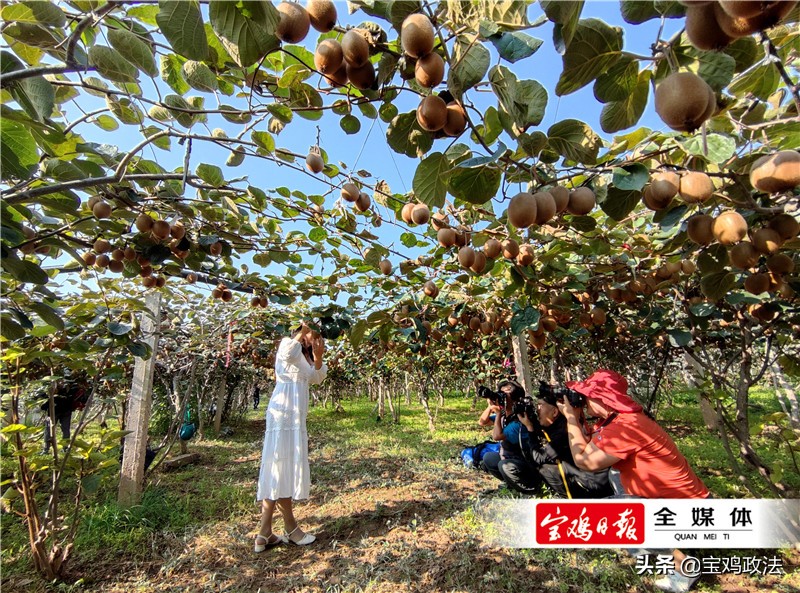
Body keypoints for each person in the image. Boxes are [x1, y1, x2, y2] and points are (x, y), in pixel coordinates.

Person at [557, 369, 709, 593]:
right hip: (672, 501)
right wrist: (577, 417)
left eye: (586, 394)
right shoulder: (616, 420)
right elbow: (590, 446)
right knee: (614, 477)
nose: (583, 399)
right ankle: (658, 546)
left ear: (601, 397)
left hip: (690, 509)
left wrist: (570, 417)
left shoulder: (627, 427)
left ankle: (684, 564)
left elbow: (584, 461)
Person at [254, 323, 327, 552]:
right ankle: (290, 529)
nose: (313, 339)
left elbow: (317, 378)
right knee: (279, 467)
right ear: (301, 330)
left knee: (279, 469)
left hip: (296, 416)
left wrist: (318, 355)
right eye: (311, 334)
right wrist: (303, 329)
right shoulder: (288, 344)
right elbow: (288, 352)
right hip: (283, 413)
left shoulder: (304, 357)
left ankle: (265, 533)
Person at [513, 381, 613, 498]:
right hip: (594, 478)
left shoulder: (565, 431)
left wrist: (530, 428)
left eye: (540, 405)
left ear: (555, 412)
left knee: (547, 468)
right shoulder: (561, 424)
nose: (537, 410)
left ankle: (572, 499)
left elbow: (538, 457)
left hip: (593, 485)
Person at [479, 380, 529, 485]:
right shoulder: (504, 415)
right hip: (508, 457)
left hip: (523, 461)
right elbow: (482, 422)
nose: (502, 398)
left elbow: (497, 436)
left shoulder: (519, 418)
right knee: (488, 458)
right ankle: (509, 482)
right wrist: (490, 407)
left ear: (515, 399)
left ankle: (523, 486)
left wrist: (498, 414)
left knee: (504, 465)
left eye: (505, 395)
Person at [40, 374, 89, 454]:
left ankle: (64, 448)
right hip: (53, 413)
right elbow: (43, 403)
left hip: (65, 412)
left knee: (64, 430)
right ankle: (47, 449)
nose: (61, 383)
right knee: (49, 430)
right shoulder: (49, 390)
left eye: (61, 381)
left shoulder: (70, 389)